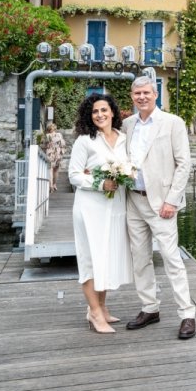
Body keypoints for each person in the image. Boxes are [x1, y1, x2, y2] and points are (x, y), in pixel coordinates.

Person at [122, 75, 196, 339]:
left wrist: (172, 201)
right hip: (133, 200)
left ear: (155, 95)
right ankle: (150, 308)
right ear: (132, 97)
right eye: (137, 93)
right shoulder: (127, 124)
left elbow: (184, 164)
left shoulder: (173, 123)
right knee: (140, 259)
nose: (141, 97)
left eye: (146, 93)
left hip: (162, 203)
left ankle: (187, 314)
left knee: (171, 258)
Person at [68, 93, 134, 334]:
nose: (100, 115)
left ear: (113, 112)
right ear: (90, 115)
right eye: (95, 111)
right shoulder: (85, 141)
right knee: (90, 259)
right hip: (90, 208)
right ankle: (94, 314)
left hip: (115, 207)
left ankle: (102, 307)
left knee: (105, 258)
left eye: (104, 110)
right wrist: (100, 184)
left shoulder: (124, 138)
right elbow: (73, 175)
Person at [43, 123, 66, 191]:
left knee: (50, 169)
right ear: (55, 128)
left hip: (50, 154)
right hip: (58, 154)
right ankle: (54, 184)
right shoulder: (59, 135)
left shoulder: (47, 136)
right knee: (56, 170)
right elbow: (63, 144)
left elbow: (44, 146)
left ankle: (50, 186)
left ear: (48, 129)